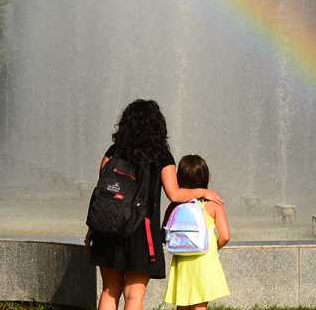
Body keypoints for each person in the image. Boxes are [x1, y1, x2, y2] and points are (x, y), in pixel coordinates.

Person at [87, 99, 223, 310]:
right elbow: (174, 193)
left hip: (108, 229)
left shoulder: (113, 152)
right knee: (133, 295)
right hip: (141, 232)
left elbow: (103, 193)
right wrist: (204, 191)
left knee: (109, 290)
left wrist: (92, 228)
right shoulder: (161, 155)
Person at [163, 155, 230, 309]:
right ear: (205, 176)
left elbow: (166, 232)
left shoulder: (176, 204)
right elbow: (225, 236)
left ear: (179, 177)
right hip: (204, 260)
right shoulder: (214, 204)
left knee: (182, 303)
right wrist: (213, 247)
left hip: (182, 260)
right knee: (200, 305)